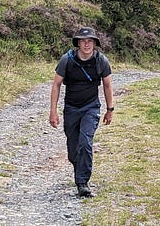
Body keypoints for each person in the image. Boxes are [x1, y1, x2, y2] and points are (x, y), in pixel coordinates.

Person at [49, 27, 114, 198]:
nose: (86, 44)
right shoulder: (67, 60)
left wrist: (110, 109)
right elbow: (56, 85)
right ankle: (80, 169)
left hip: (91, 108)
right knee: (73, 149)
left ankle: (82, 182)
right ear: (78, 43)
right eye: (83, 41)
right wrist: (53, 111)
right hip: (71, 108)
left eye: (90, 41)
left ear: (94, 44)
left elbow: (107, 85)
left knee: (85, 142)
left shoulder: (101, 61)